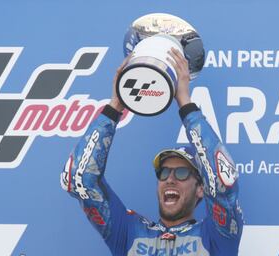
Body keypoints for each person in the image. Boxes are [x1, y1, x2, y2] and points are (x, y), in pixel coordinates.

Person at [60, 48, 244, 255]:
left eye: (181, 173)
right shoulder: (128, 232)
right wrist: (116, 105)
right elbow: (79, 180)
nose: (170, 180)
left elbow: (223, 182)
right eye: (164, 173)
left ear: (201, 188)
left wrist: (185, 102)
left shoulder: (217, 236)